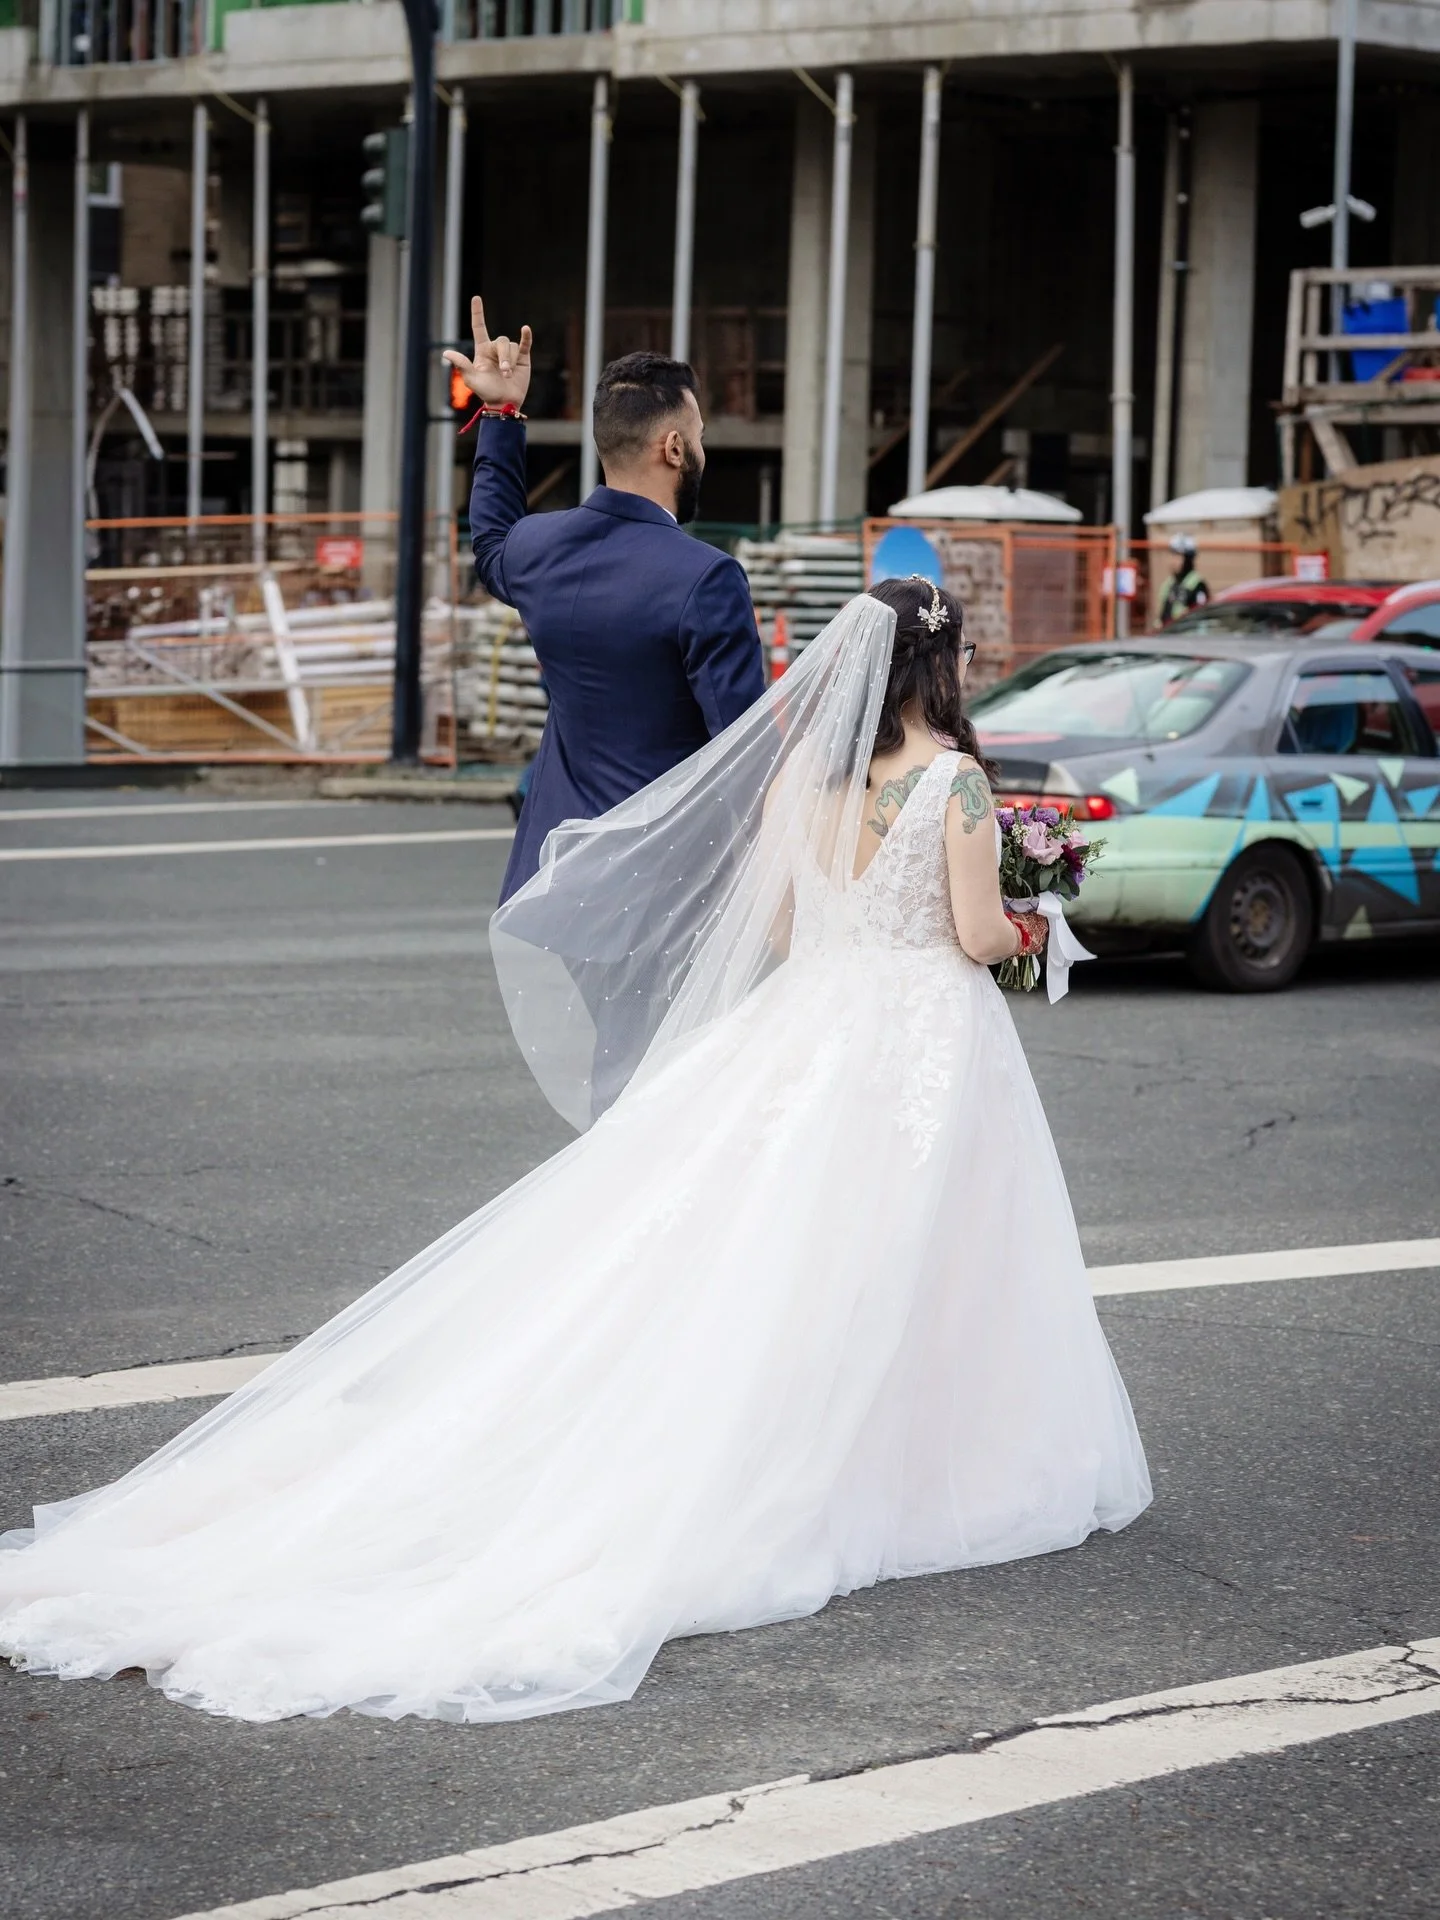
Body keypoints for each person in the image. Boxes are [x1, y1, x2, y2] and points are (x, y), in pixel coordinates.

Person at [0, 577, 1150, 1726]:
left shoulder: (798, 779)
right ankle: (915, 1462)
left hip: (813, 1018)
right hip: (919, 1035)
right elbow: (978, 934)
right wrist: (1037, 914)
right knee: (920, 1250)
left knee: (774, 1249)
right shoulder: (952, 781)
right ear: (939, 665)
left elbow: (784, 925)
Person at [447, 298, 766, 902]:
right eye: (699, 437)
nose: (703, 451)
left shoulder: (539, 547)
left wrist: (501, 413)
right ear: (674, 448)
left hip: (551, 881)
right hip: (665, 885)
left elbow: (488, 545)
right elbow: (743, 752)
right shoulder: (706, 577)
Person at [1158, 534, 1209, 624]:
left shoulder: (1197, 585)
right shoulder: (1170, 583)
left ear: (1189, 560)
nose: (1174, 561)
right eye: (1173, 555)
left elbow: (1201, 620)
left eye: (1179, 556)